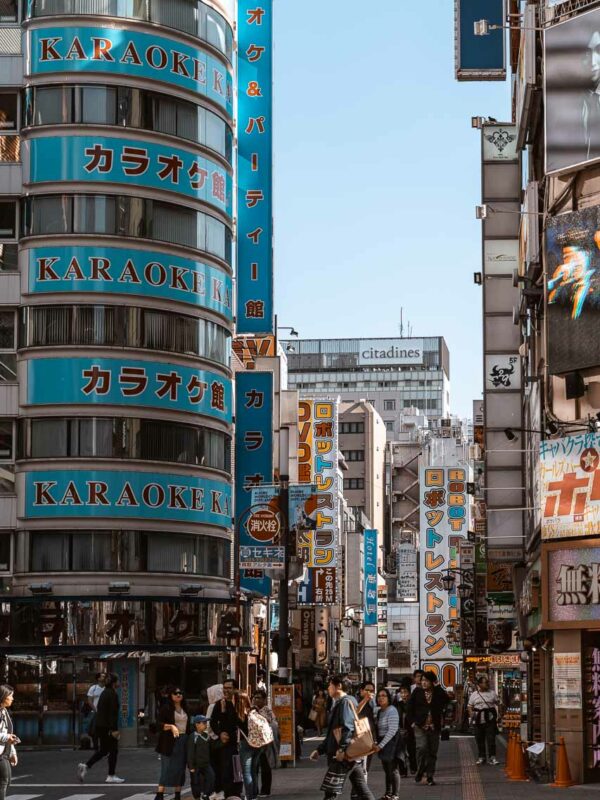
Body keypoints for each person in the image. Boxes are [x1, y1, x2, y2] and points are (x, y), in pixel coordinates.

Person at [309, 676, 375, 800]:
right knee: (361, 788)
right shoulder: (344, 701)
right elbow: (332, 732)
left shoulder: (345, 702)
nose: (328, 688)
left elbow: (348, 727)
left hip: (343, 755)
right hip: (349, 755)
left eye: (330, 685)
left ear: (338, 686)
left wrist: (341, 749)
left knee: (331, 791)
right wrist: (320, 750)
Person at [78, 673, 124, 784]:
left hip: (101, 726)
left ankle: (86, 766)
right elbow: (112, 713)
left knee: (104, 750)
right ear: (114, 683)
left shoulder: (104, 692)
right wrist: (114, 729)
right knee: (113, 750)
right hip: (108, 727)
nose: (119, 683)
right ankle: (111, 775)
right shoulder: (112, 694)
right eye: (118, 681)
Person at [407, 671, 449, 786]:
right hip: (420, 726)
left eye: (426, 680)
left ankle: (430, 776)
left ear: (432, 682)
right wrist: (412, 722)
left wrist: (438, 687)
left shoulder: (438, 692)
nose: (424, 683)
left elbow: (447, 700)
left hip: (434, 726)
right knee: (422, 748)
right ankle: (420, 770)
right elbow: (409, 708)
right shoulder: (417, 692)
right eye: (423, 680)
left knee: (432, 752)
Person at [154, 686, 190, 800]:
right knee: (167, 767)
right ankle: (160, 794)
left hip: (184, 740)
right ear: (171, 695)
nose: (178, 695)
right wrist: (171, 726)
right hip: (170, 741)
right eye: (175, 693)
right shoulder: (166, 708)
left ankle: (177, 794)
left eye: (180, 693)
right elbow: (157, 725)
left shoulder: (186, 708)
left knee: (180, 768)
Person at [467, 675, 500, 766]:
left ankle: (492, 757)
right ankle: (482, 757)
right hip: (478, 719)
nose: (487, 684)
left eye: (488, 682)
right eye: (486, 682)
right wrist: (471, 715)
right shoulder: (474, 694)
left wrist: (500, 714)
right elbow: (469, 706)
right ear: (480, 684)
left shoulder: (492, 693)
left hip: (490, 719)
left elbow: (499, 703)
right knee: (479, 739)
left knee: (491, 739)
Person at [374, 688, 400, 800]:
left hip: (391, 742)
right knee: (386, 769)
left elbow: (392, 730)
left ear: (389, 698)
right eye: (379, 696)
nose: (381, 698)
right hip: (383, 742)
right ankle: (388, 793)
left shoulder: (392, 710)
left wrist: (380, 745)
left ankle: (395, 794)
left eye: (384, 695)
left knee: (393, 769)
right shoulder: (380, 711)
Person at [253, 690, 277, 798]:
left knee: (265, 767)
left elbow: (272, 723)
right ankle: (254, 789)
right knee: (254, 767)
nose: (256, 699)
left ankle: (265, 790)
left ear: (263, 699)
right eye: (255, 697)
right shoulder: (251, 710)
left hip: (265, 743)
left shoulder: (267, 710)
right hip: (253, 743)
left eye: (259, 697)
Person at [187, 714, 215, 800]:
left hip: (206, 763)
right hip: (196, 764)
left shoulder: (206, 736)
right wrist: (191, 766)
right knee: (195, 781)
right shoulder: (193, 737)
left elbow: (213, 746)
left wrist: (222, 742)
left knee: (211, 777)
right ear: (197, 724)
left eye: (206, 723)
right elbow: (190, 752)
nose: (206, 724)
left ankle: (206, 794)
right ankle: (197, 797)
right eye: (204, 723)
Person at [0, 685, 18, 800]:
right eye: (10, 696)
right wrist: (6, 737)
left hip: (5, 752)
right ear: (3, 697)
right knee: (3, 782)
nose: (12, 698)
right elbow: (6, 735)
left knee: (8, 780)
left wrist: (12, 753)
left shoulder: (4, 711)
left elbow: (9, 732)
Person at [393, 684, 413, 777]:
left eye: (405, 692)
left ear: (409, 693)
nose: (404, 694)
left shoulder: (412, 704)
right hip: (399, 730)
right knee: (400, 752)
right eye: (402, 693)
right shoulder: (397, 704)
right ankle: (403, 771)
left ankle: (413, 768)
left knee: (411, 750)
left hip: (411, 731)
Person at [86, 672, 106, 750]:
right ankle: (95, 747)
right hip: (95, 713)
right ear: (98, 678)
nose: (104, 678)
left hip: (104, 713)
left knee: (104, 732)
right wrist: (95, 710)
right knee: (94, 732)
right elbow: (89, 701)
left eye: (104, 676)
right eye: (102, 676)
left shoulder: (107, 688)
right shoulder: (93, 688)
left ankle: (103, 748)